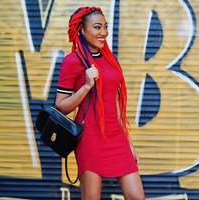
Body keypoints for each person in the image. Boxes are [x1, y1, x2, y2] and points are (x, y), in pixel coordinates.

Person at [55, 6, 145, 200]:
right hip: (90, 138)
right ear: (81, 30)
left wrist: (128, 142)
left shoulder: (110, 60)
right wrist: (87, 86)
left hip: (116, 136)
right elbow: (61, 106)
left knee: (136, 196)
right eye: (97, 27)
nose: (103, 32)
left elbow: (114, 103)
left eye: (105, 27)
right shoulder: (73, 61)